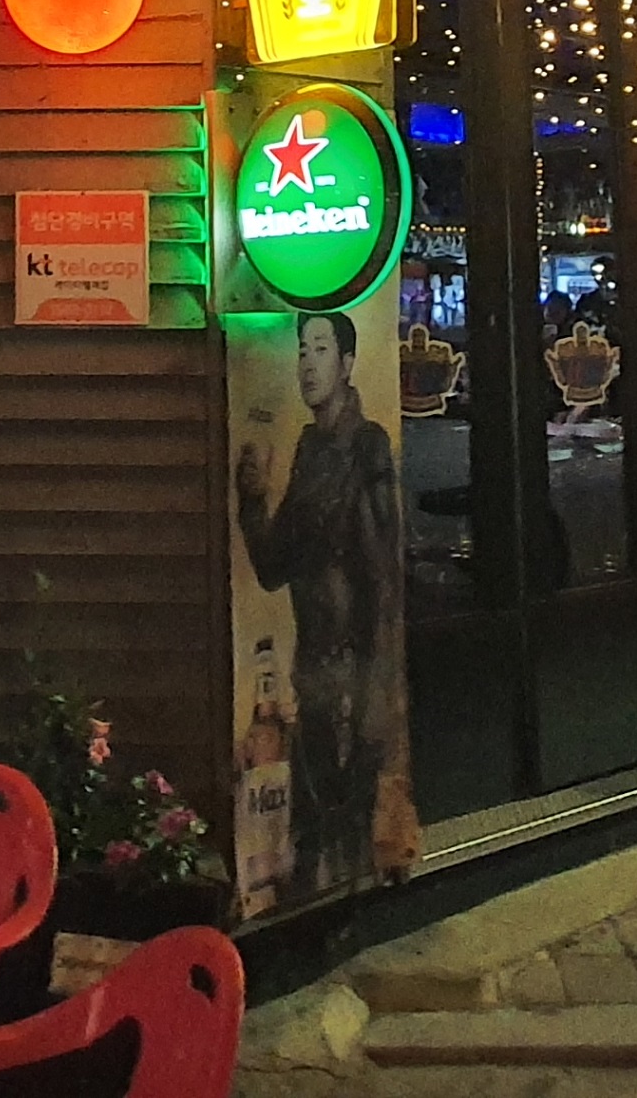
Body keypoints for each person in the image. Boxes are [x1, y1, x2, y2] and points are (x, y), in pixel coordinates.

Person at [233, 308, 403, 899]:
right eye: (302, 349)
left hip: (352, 675)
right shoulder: (309, 448)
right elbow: (273, 566)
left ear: (348, 364)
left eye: (321, 349)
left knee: (346, 831)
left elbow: (383, 575)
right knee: (311, 838)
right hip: (314, 678)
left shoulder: (368, 446)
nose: (307, 363)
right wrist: (251, 500)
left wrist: (375, 684)